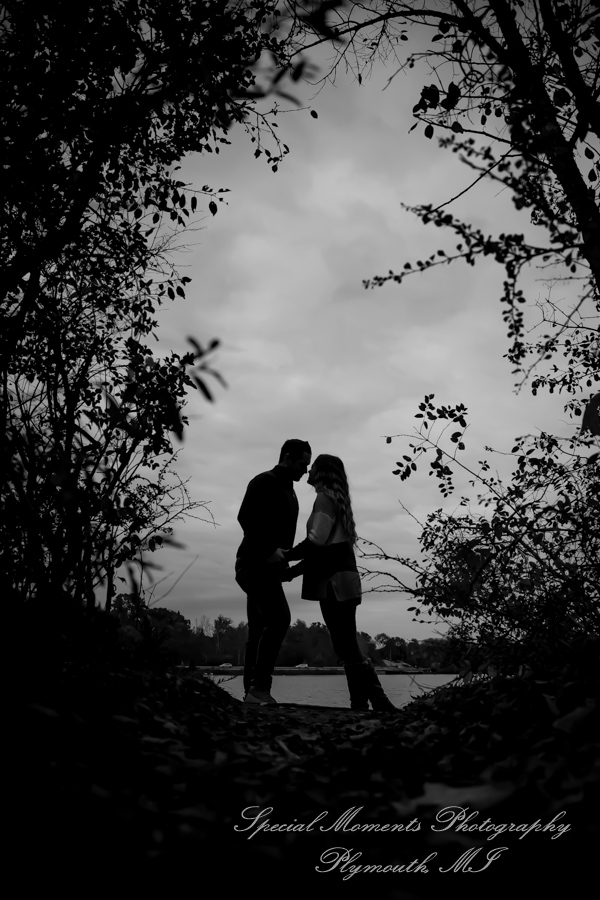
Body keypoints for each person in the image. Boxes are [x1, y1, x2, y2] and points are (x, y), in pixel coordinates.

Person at [283, 454, 396, 712]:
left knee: (346, 646)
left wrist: (286, 559)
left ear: (322, 473)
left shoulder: (325, 499)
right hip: (345, 580)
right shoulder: (338, 500)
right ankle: (360, 703)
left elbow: (316, 543)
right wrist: (292, 568)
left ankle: (379, 702)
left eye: (313, 467)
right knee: (346, 645)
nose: (309, 470)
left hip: (333, 582)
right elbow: (326, 549)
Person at [235, 439, 312, 706]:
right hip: (253, 565)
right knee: (279, 619)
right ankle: (259, 689)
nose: (305, 470)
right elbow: (245, 517)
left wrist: (286, 563)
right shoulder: (264, 481)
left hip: (268, 569)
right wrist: (268, 550)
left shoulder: (290, 490)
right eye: (302, 464)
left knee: (258, 631)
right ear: (287, 457)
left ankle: (251, 694)